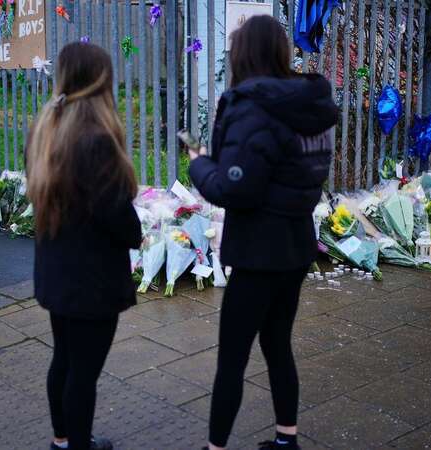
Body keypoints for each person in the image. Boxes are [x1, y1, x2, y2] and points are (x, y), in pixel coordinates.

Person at [188, 15, 338, 450]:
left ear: (243, 54)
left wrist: (199, 162)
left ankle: (215, 448)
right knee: (277, 346)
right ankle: (286, 440)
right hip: (294, 247)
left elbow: (236, 189)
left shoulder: (252, 107)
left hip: (257, 253)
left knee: (232, 359)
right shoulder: (307, 106)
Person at [26, 42, 142, 450]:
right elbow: (119, 220)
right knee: (83, 374)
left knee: (64, 359)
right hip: (91, 283)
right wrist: (136, 231)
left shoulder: (46, 128)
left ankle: (62, 440)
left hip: (58, 274)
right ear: (101, 82)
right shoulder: (96, 141)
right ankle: (77, 444)